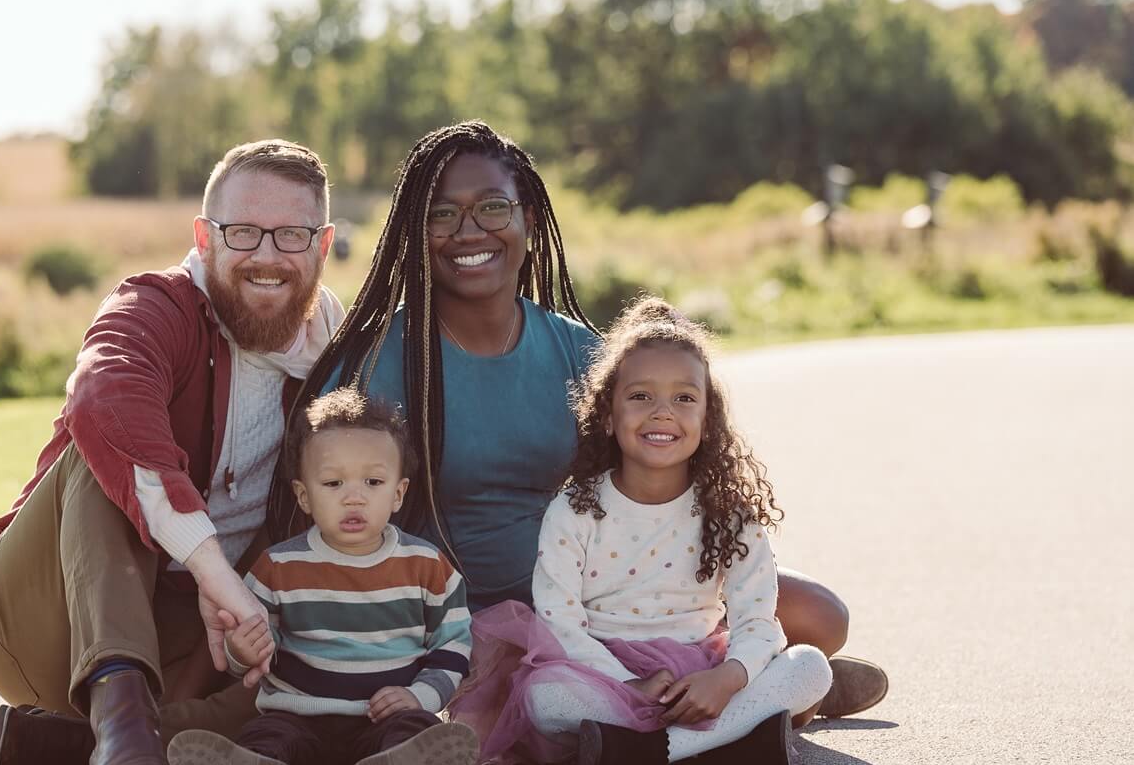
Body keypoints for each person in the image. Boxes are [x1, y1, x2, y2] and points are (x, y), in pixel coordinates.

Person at [267, 120, 886, 721]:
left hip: (610, 596)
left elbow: (670, 468)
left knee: (819, 614)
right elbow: (315, 502)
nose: (467, 230)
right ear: (415, 233)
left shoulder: (579, 353)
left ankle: (758, 683)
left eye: (491, 208)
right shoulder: (376, 359)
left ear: (528, 221)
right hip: (455, 610)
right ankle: (777, 694)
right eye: (442, 214)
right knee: (490, 692)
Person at [0, 139, 346, 765]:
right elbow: (101, 394)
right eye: (243, 232)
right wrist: (214, 572)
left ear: (323, 243)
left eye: (291, 234)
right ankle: (116, 716)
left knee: (334, 667)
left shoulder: (333, 346)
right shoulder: (157, 304)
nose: (267, 254)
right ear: (204, 236)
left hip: (191, 649)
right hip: (43, 616)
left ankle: (73, 740)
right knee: (105, 440)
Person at [450, 298, 833, 765]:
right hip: (603, 671)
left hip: (703, 670)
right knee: (545, 698)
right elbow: (559, 621)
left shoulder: (729, 514)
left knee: (811, 667)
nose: (662, 413)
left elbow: (757, 620)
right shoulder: (575, 509)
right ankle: (732, 738)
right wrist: (629, 683)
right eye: (640, 397)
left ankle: (651, 749)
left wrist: (726, 679)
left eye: (684, 398)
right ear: (608, 416)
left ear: (708, 420)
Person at [166, 389, 478, 765]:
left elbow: (453, 643)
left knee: (411, 730)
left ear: (399, 493)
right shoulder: (277, 567)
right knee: (267, 736)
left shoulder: (427, 565)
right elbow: (253, 651)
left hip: (383, 717)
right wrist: (242, 651)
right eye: (333, 483)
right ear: (304, 496)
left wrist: (420, 696)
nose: (354, 496)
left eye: (373, 482)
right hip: (298, 716)